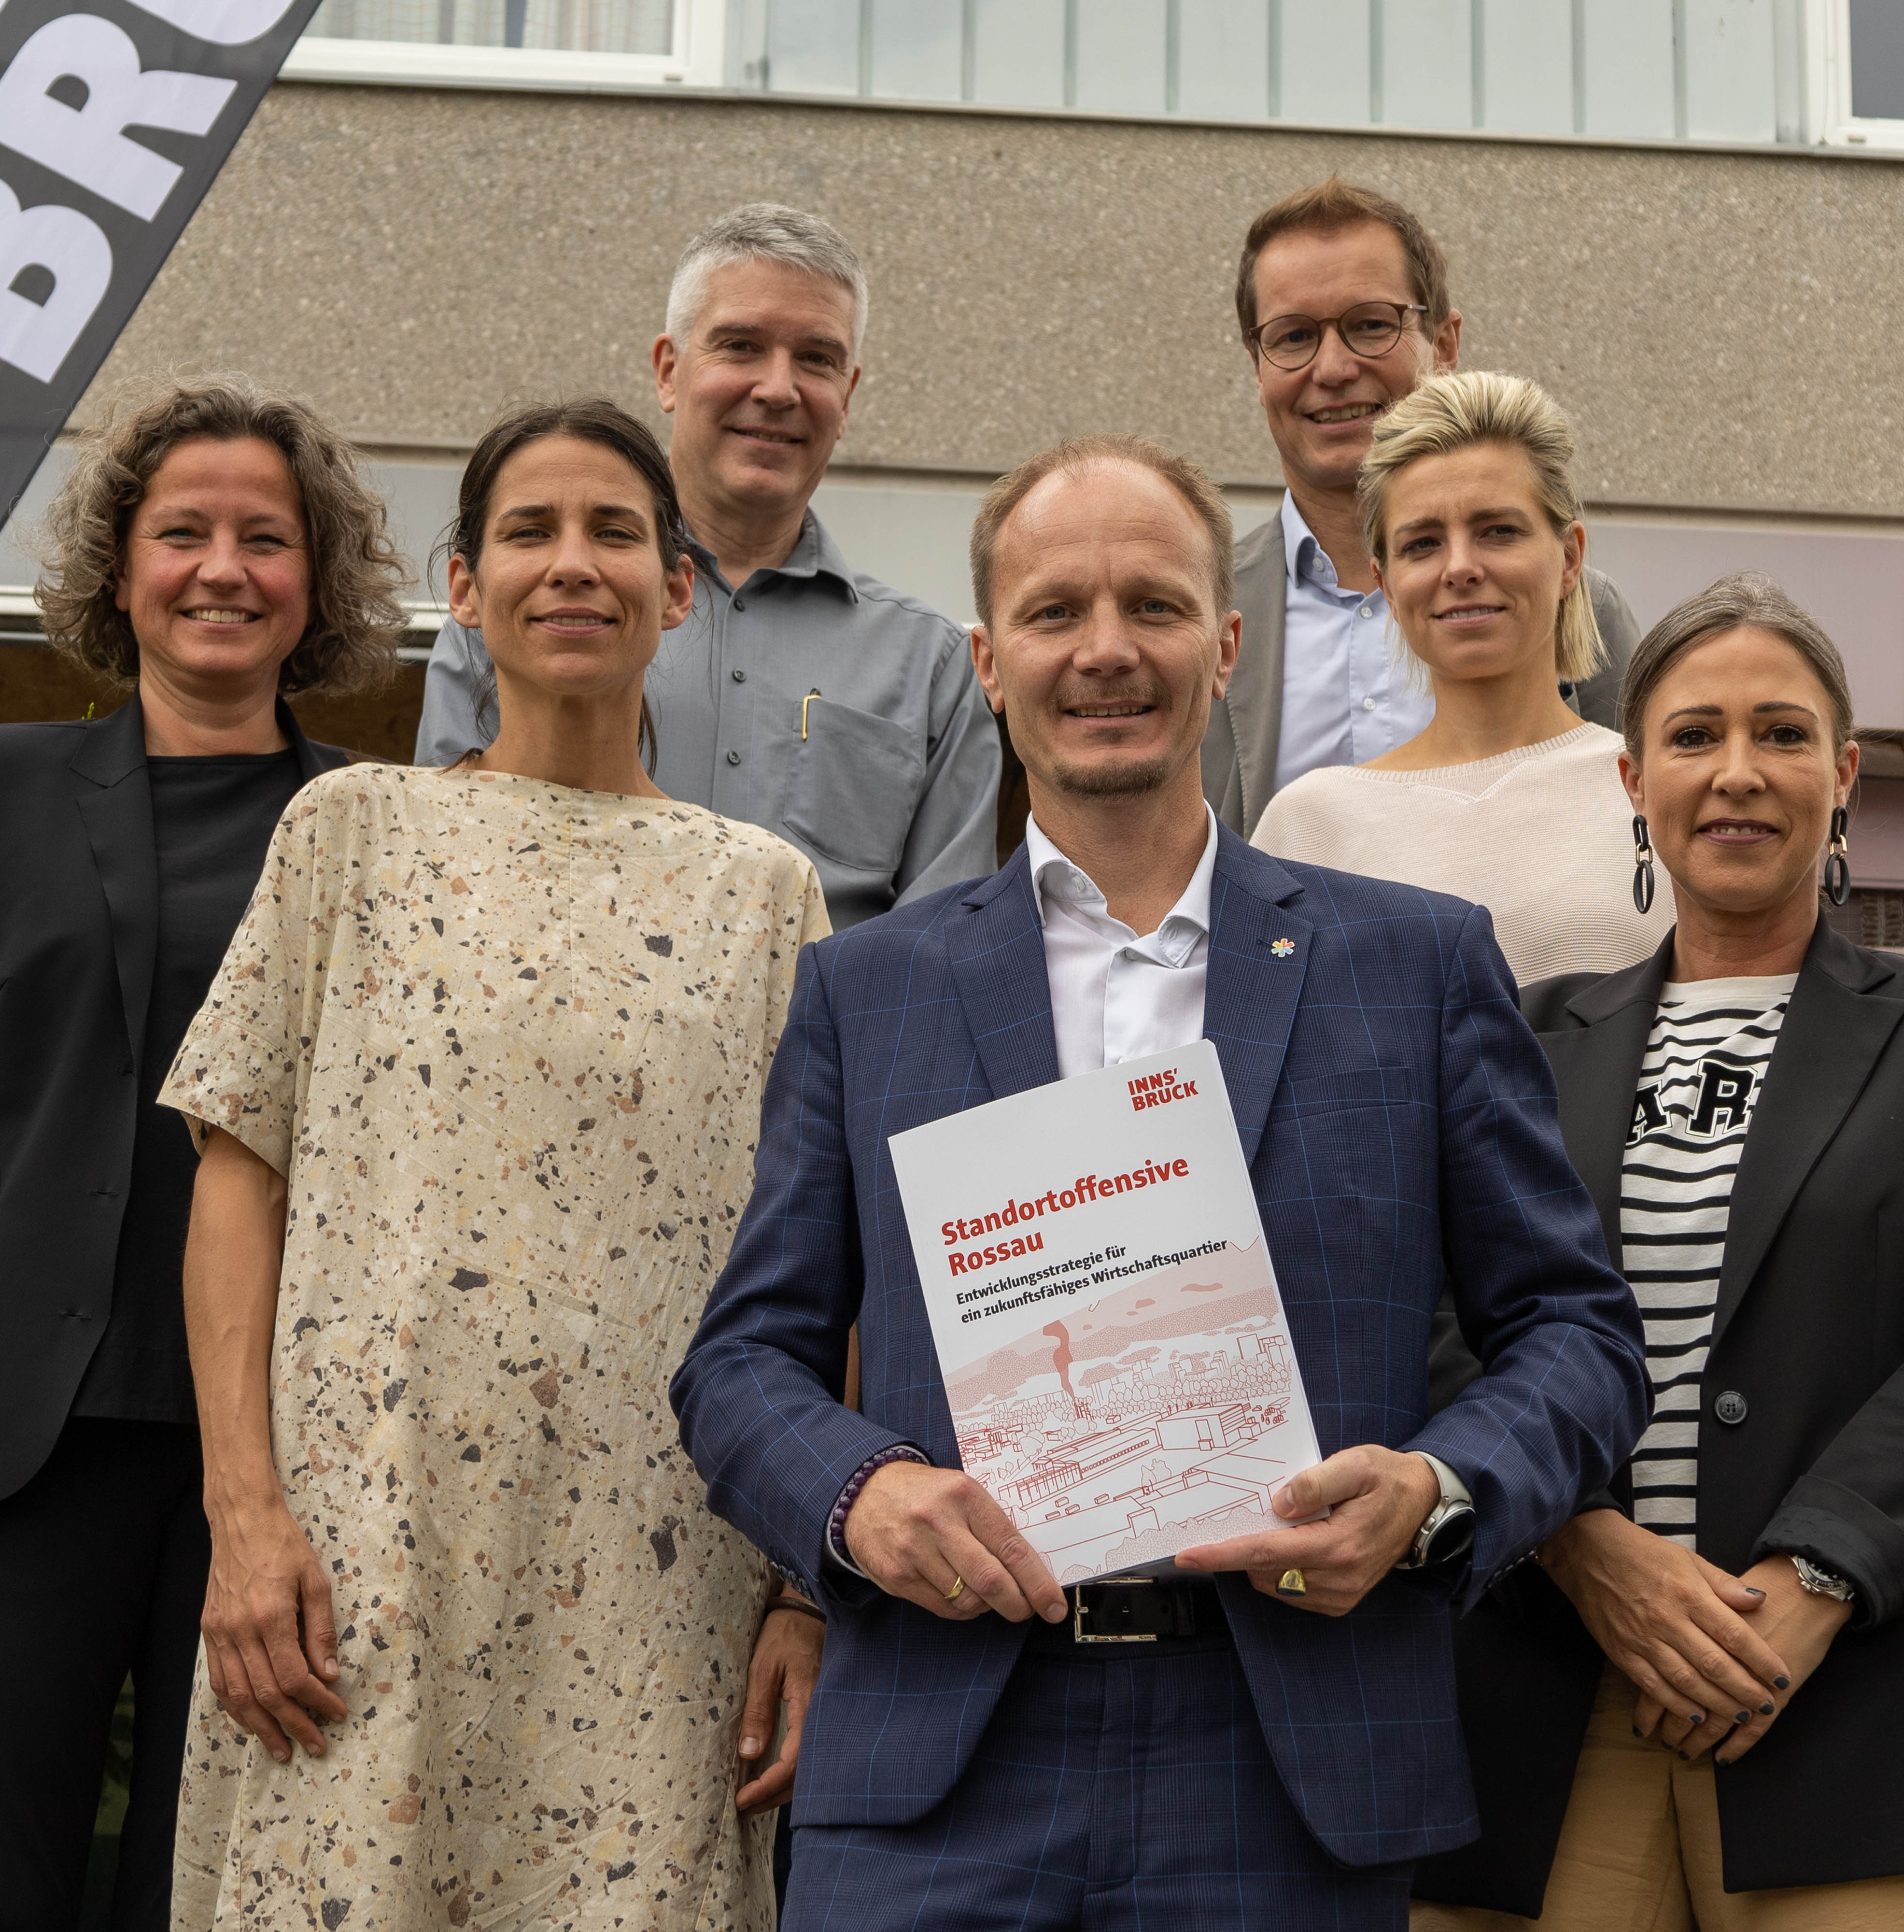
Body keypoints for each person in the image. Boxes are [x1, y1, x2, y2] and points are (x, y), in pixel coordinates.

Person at [671, 431, 1651, 1928]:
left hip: (1285, 1758)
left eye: (1153, 605)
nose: (1106, 651)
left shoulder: (1414, 965)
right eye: (1057, 613)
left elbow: (1577, 1337)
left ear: (1226, 642)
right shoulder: (864, 993)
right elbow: (742, 1362)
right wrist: (859, 1497)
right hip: (942, 1755)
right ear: (990, 662)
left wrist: (1436, 1489)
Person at [163, 398, 831, 1931]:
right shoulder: (350, 832)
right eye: (528, 531)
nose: (571, 565)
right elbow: (235, 1179)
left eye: (614, 531)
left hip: (664, 1587)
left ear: (678, 589)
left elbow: (821, 1256)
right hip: (357, 1561)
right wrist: (245, 1513)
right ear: (461, 588)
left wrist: (804, 1590)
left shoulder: (764, 894)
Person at [0, 378, 404, 1930]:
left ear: (311, 584)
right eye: (180, 531)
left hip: (279, 1459)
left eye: (266, 537)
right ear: (119, 570)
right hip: (7, 1443)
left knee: (225, 1882)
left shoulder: (375, 826)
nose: (220, 567)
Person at [1413, 573, 1904, 1932]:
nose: (1738, 774)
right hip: (1548, 1699)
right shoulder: (1526, 1039)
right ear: (1632, 776)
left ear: (1842, 778)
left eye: (1781, 736)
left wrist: (1812, 1578)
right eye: (1696, 735)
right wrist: (1582, 1545)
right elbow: (1448, 1327)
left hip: (1866, 1696)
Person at [414, 203, 1000, 926]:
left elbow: (940, 951)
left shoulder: (934, 668)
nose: (779, 389)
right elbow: (447, 871)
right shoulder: (523, 613)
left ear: (846, 397)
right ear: (669, 370)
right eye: (742, 346)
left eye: (817, 358)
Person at [1205, 176, 1645, 838]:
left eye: (1371, 326)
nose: (1331, 368)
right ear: (1257, 364)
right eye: (1293, 336)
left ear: (1443, 344)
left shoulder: (1579, 606)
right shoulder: (1199, 619)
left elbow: (1642, 832)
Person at [1253, 369, 1671, 985]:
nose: (1461, 567)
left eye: (1498, 531)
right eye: (1422, 544)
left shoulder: (1659, 793)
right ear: (1388, 584)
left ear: (1570, 558)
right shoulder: (1308, 824)